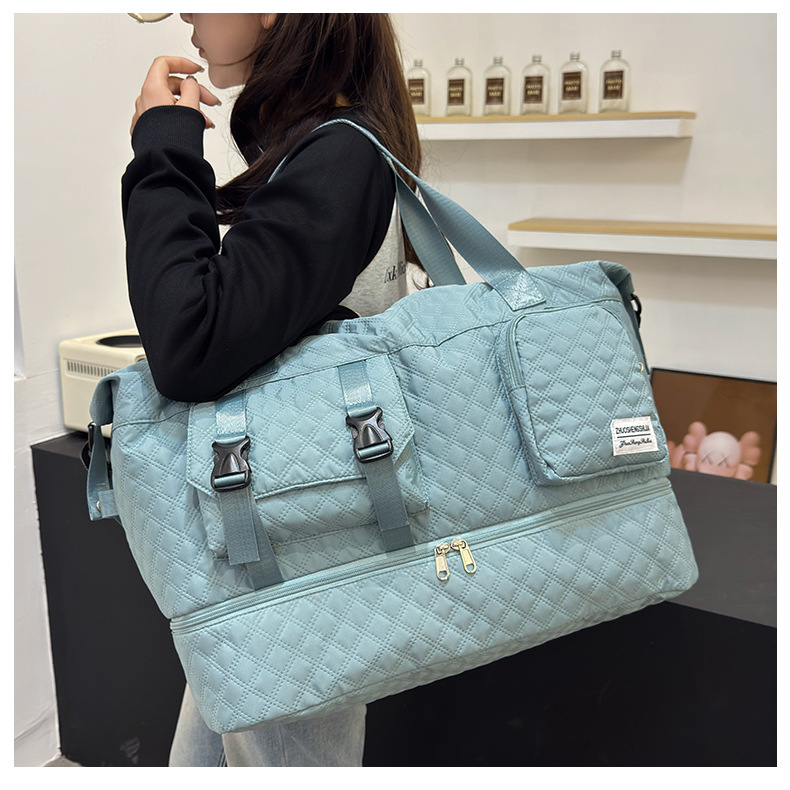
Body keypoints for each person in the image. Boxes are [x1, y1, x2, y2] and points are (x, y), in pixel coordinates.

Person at [122, 13, 423, 767]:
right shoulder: (334, 147)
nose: (187, 13)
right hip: (286, 533)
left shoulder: (339, 155)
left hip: (300, 555)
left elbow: (190, 343)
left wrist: (163, 146)